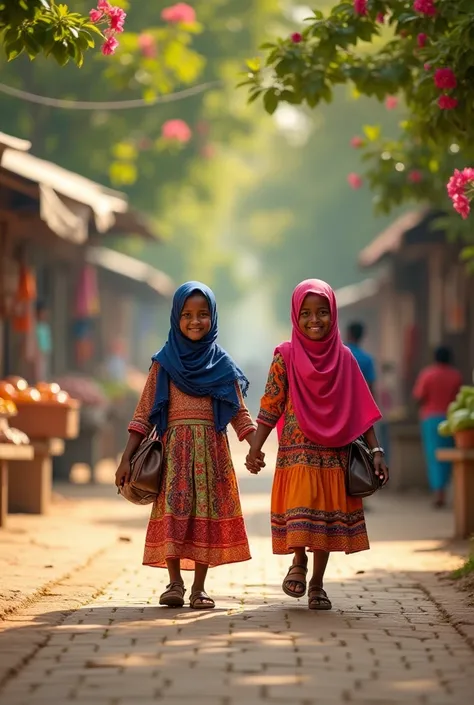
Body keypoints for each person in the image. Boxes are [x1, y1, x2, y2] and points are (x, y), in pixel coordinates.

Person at [115, 282, 263, 610]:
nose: (195, 321)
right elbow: (143, 414)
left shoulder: (222, 365)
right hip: (173, 457)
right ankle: (174, 583)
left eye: (202, 315)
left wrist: (255, 446)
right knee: (173, 516)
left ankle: (199, 588)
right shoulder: (164, 363)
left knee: (204, 520)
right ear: (175, 318)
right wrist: (126, 459)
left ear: (213, 318)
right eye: (187, 315)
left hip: (211, 456)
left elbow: (239, 412)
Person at [245, 280, 388, 611]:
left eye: (322, 312)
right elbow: (271, 404)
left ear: (333, 315)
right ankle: (298, 561)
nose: (315, 320)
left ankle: (318, 584)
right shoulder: (285, 356)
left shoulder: (346, 358)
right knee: (301, 509)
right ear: (296, 315)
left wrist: (377, 451)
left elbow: (362, 409)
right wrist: (256, 446)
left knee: (324, 516)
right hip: (296, 452)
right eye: (306, 313)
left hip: (334, 452)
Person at [413, 346, 462, 508]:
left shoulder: (427, 374)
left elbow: (419, 396)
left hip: (431, 419)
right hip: (450, 419)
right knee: (448, 455)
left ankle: (438, 493)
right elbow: (458, 399)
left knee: (433, 456)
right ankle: (446, 491)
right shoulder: (455, 375)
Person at [346, 321, 376, 394]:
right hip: (358, 399)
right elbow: (370, 387)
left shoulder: (338, 354)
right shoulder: (367, 359)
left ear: (349, 334)